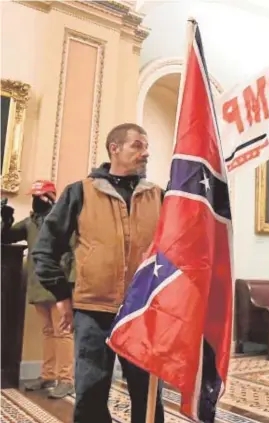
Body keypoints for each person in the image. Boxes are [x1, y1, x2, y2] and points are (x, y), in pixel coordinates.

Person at [32, 123, 165, 423]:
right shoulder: (80, 192)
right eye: (138, 145)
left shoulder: (159, 196)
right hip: (93, 311)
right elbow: (45, 249)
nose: (146, 153)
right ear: (114, 148)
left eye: (147, 146)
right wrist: (63, 296)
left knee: (148, 397)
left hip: (143, 313)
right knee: (90, 396)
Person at [1, 180, 75, 399]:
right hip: (37, 284)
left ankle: (66, 379)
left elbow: (74, 252)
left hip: (58, 285)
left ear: (51, 197)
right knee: (48, 331)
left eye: (39, 196)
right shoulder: (29, 222)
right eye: (33, 196)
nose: (35, 201)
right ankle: (48, 374)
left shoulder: (63, 220)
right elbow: (7, 237)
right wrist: (6, 219)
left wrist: (70, 284)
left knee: (62, 333)